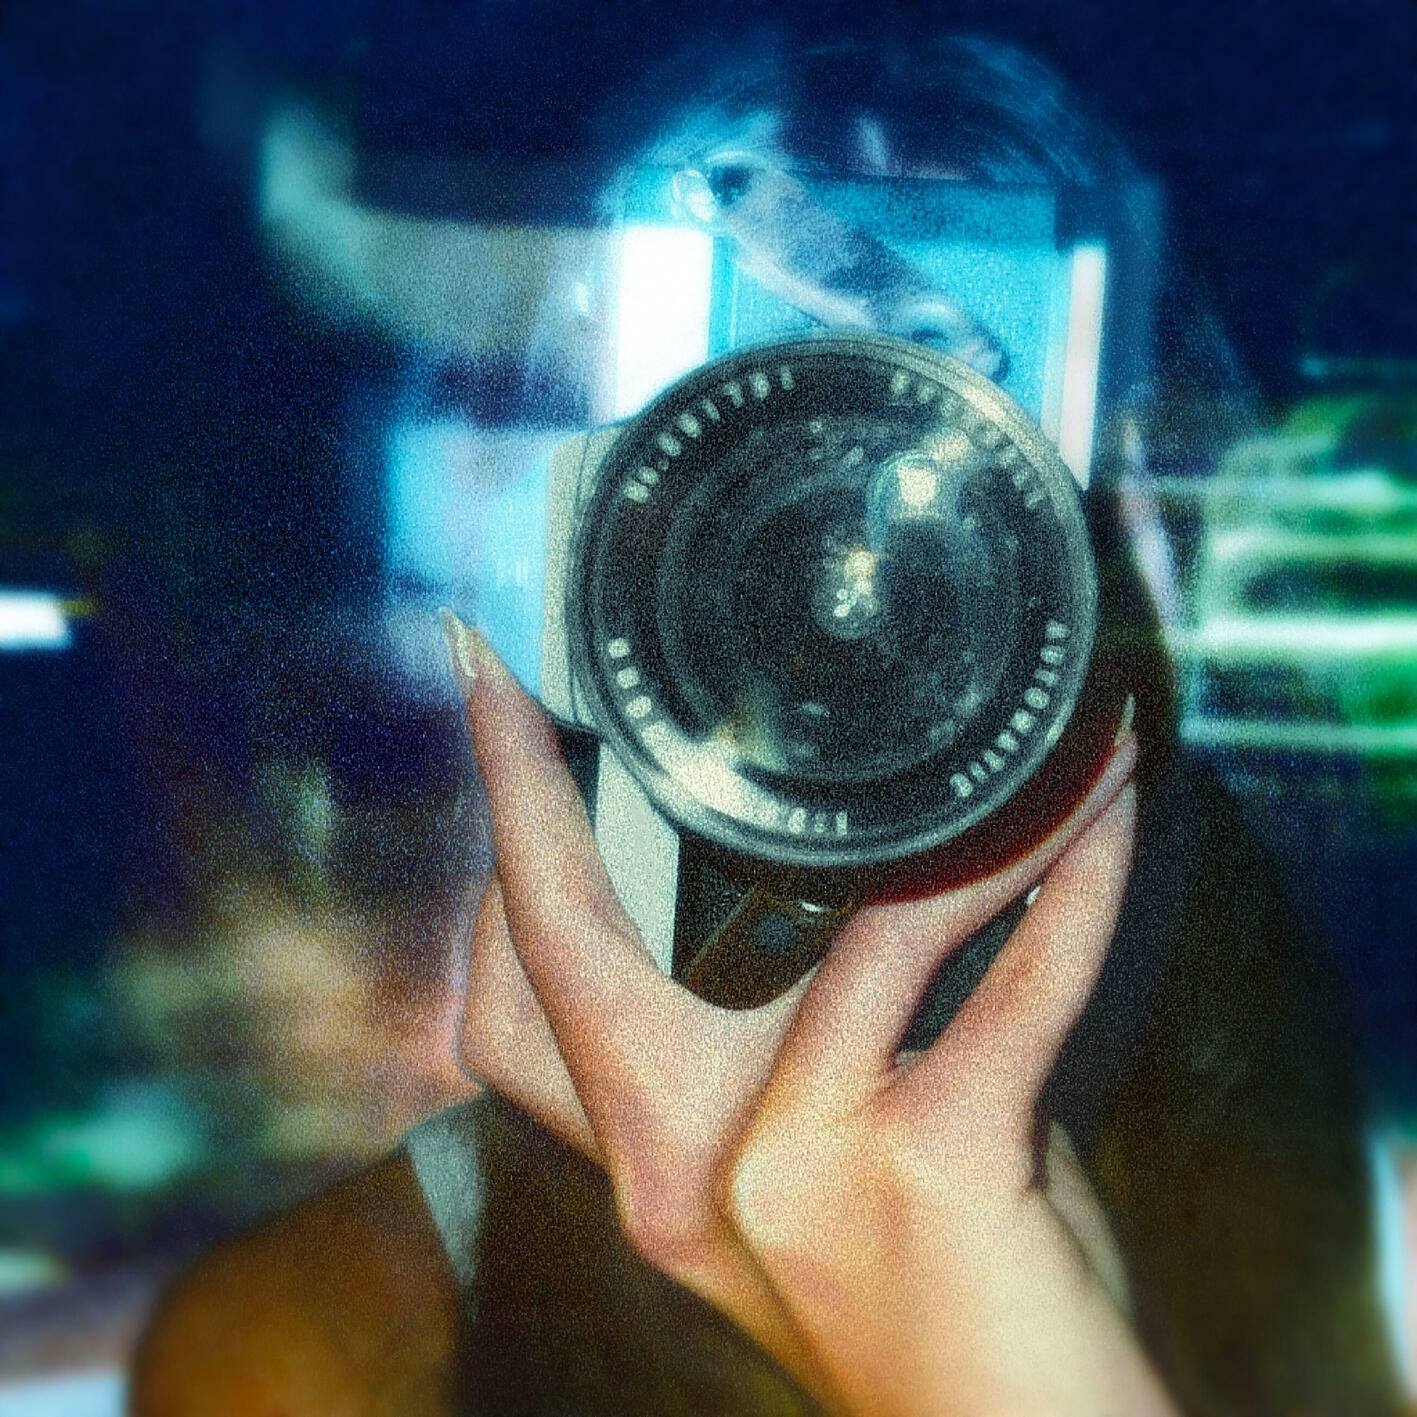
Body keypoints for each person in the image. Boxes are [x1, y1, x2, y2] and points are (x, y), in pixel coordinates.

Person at [132, 29, 1414, 1417]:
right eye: (757, 486)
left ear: (1162, 541)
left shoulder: (1351, 1226)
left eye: (992, 483)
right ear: (579, 557)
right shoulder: (323, 1349)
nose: (863, 585)